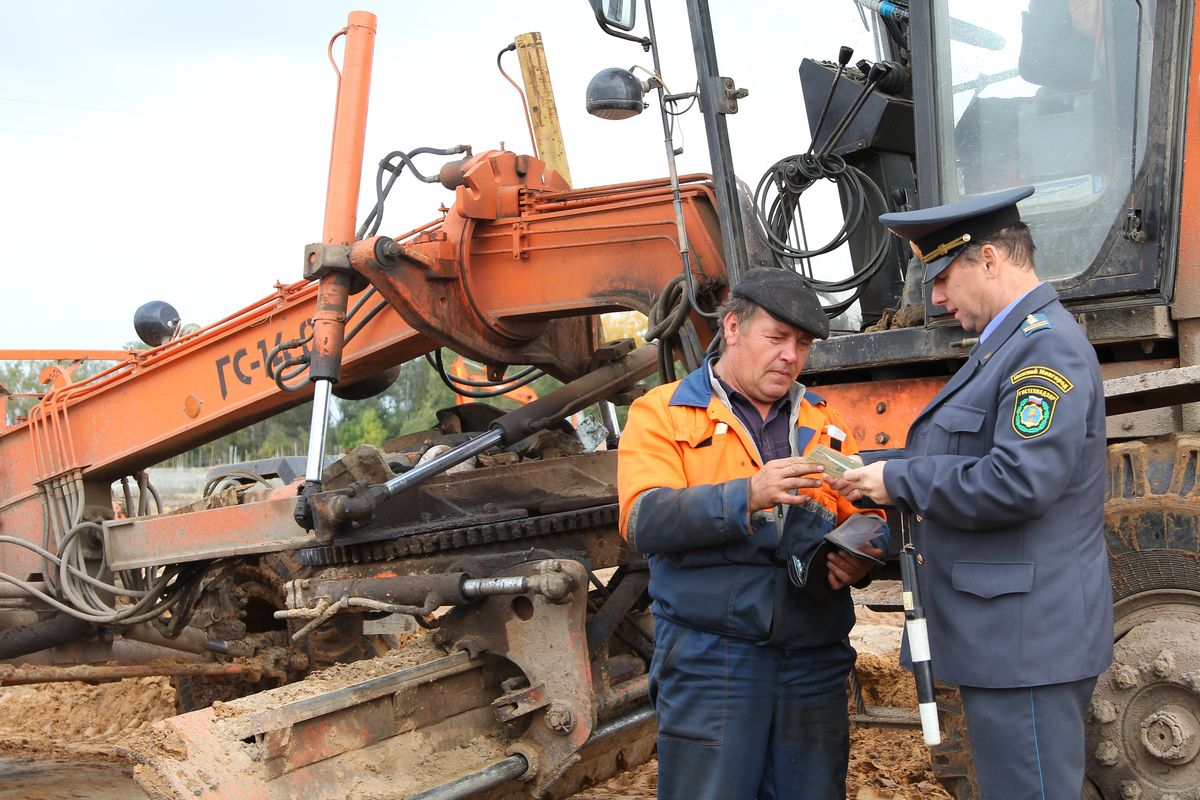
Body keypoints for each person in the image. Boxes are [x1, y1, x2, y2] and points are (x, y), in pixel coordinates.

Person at [835, 186, 1113, 800]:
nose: (933, 297)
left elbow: (1017, 480)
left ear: (989, 260)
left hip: (1026, 643)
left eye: (942, 275)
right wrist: (873, 466)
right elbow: (968, 456)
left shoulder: (1044, 348)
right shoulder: (1010, 345)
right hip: (1012, 638)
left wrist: (897, 479)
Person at [617, 266, 888, 800]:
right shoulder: (664, 413)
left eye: (803, 344)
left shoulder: (824, 421)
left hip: (812, 656)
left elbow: (867, 516)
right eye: (778, 338)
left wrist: (862, 554)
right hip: (712, 659)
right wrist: (746, 495)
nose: (791, 355)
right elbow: (643, 520)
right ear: (734, 328)